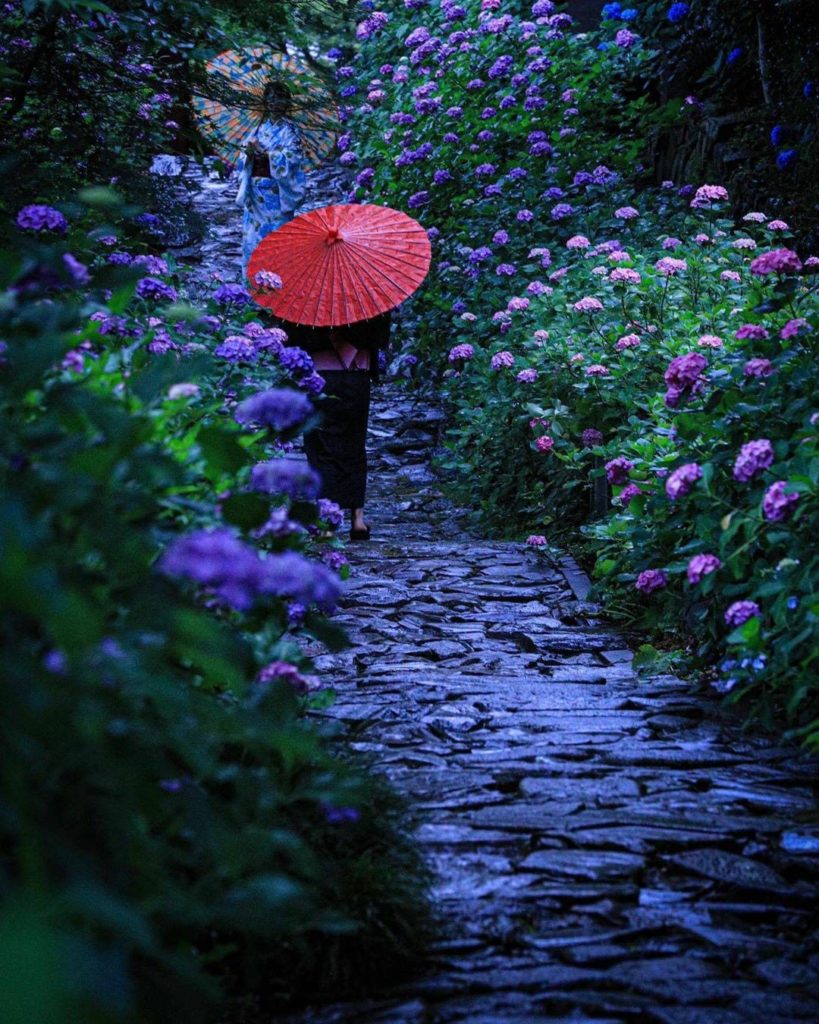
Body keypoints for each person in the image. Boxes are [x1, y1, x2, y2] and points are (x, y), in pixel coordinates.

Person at [283, 313, 391, 541]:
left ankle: (327, 522)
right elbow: (380, 337)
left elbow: (291, 339)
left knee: (321, 447)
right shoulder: (366, 293)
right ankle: (358, 519)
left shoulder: (307, 295)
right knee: (354, 442)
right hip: (356, 373)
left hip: (318, 373)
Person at [235, 80, 307, 273]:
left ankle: (278, 288)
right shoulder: (258, 129)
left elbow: (293, 158)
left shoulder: (290, 130)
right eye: (271, 97)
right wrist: (248, 152)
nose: (275, 102)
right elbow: (241, 160)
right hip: (256, 192)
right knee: (253, 239)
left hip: (277, 192)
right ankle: (252, 289)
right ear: (265, 101)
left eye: (279, 98)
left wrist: (268, 155)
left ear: (287, 102)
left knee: (277, 239)